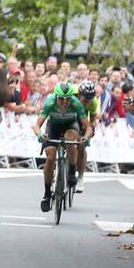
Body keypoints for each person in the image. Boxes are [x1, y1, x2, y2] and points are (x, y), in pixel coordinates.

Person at [32, 80, 90, 212]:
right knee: (51, 156)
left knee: (71, 139)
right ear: (56, 97)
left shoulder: (76, 103)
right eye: (61, 99)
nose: (65, 102)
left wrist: (85, 137)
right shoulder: (50, 103)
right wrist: (40, 135)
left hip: (70, 126)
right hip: (53, 127)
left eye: (68, 99)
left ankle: (71, 173)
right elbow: (36, 125)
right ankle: (47, 193)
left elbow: (88, 127)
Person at [76, 78, 100, 190]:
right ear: (79, 95)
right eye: (85, 100)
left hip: (84, 121)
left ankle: (80, 177)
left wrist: (91, 129)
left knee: (81, 147)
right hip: (71, 117)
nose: (87, 103)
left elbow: (93, 120)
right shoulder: (72, 97)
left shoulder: (93, 101)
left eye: (90, 100)